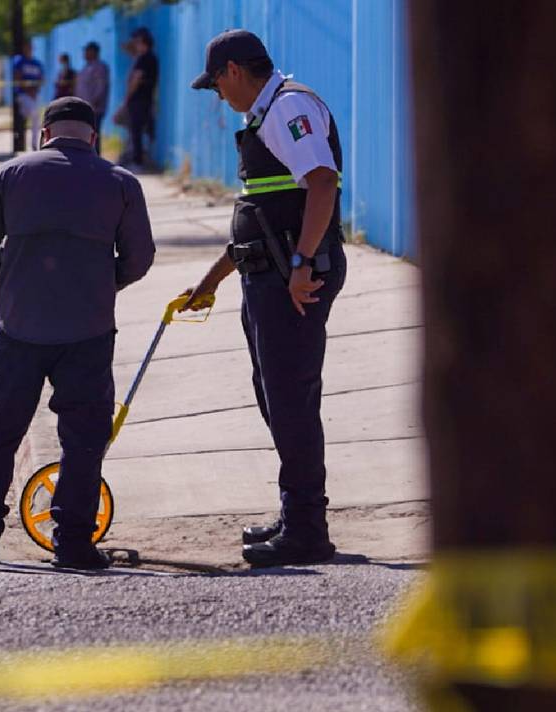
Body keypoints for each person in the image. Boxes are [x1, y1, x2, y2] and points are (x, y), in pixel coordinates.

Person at [0, 97, 156, 570]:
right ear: (93, 136)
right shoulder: (120, 183)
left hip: (19, 329)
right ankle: (72, 544)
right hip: (87, 333)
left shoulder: (12, 175)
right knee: (84, 439)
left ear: (44, 134)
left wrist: (10, 273)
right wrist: (101, 281)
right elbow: (139, 258)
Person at [183, 30, 348, 567]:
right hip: (269, 277)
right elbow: (263, 215)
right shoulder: (265, 115)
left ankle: (307, 529)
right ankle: (295, 510)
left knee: (292, 400)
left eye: (216, 85)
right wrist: (212, 279)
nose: (219, 96)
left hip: (294, 281)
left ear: (233, 70)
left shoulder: (288, 108)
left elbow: (321, 184)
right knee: (276, 397)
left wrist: (301, 265)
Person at [116, 27, 158, 170]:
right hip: (143, 100)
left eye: (137, 42)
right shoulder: (145, 57)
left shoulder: (145, 58)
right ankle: (136, 159)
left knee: (136, 131)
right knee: (136, 131)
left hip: (139, 100)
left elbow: (136, 79)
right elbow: (129, 50)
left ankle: (138, 162)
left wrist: (127, 98)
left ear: (142, 42)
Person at [75, 41, 110, 153]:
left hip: (94, 107)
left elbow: (101, 86)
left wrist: (95, 101)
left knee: (94, 134)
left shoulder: (99, 67)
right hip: (85, 106)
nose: (84, 53)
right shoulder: (87, 67)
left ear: (93, 52)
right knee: (86, 134)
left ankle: (95, 158)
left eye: (87, 51)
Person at [12, 40, 45, 150]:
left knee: (36, 117)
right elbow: (17, 77)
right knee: (27, 115)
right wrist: (28, 90)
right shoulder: (19, 61)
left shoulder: (37, 63)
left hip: (34, 95)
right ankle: (22, 140)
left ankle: (34, 144)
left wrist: (34, 91)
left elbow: (41, 79)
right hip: (23, 95)